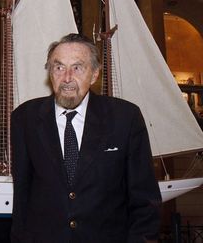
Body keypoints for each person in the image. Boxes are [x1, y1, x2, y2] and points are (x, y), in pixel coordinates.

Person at [10, 33, 162, 243]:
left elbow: (145, 200)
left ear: (94, 75)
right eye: (59, 67)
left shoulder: (125, 118)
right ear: (50, 73)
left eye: (77, 67)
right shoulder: (24, 118)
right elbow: (22, 199)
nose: (67, 78)